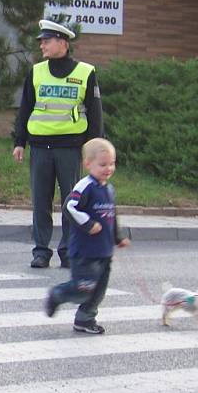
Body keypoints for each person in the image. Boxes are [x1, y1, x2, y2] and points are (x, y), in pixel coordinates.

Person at [12, 19, 104, 269]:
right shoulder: (37, 72)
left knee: (70, 204)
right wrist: (19, 141)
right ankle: (41, 251)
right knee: (40, 202)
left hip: (70, 149)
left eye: (46, 40)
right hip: (41, 148)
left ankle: (68, 251)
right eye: (41, 40)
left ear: (62, 43)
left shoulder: (85, 72)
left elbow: (95, 114)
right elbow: (25, 108)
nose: (42, 44)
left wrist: (95, 150)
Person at [45, 138, 130, 334]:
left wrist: (118, 237)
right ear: (87, 164)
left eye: (112, 163)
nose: (108, 168)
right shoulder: (85, 186)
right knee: (83, 288)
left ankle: (85, 319)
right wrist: (88, 224)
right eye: (102, 164)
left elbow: (112, 214)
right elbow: (69, 207)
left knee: (98, 289)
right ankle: (58, 294)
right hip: (84, 252)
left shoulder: (108, 188)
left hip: (104, 251)